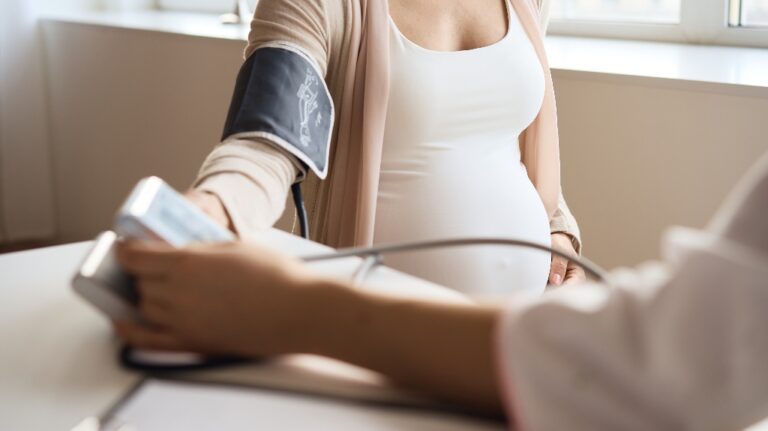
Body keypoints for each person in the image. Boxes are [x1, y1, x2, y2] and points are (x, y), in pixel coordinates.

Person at [115, 150, 768, 429]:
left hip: (501, 342)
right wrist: (212, 206)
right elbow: (268, 132)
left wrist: (560, 234)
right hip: (398, 348)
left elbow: (535, 161)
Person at [184, 0, 585, 296]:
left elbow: (507, 132)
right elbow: (265, 140)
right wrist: (212, 207)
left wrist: (558, 228)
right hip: (375, 333)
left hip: (521, 332)